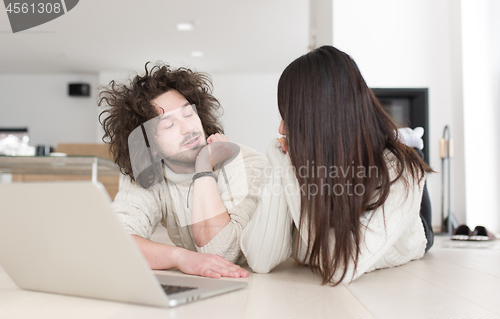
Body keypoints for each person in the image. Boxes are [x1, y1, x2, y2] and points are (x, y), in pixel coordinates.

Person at [241, 45, 434, 285]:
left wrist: (290, 170)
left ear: (320, 118)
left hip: (410, 225)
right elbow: (261, 259)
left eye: (289, 115)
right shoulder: (296, 162)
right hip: (340, 168)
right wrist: (282, 163)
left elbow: (339, 266)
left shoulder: (400, 172)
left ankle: (403, 141)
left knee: (404, 161)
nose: (280, 129)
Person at [99, 63, 267, 279]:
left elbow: (222, 252)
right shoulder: (151, 175)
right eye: (169, 125)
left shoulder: (246, 163)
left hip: (271, 286)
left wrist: (204, 167)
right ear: (149, 144)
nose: (189, 129)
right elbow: (114, 241)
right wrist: (180, 257)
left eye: (189, 114)